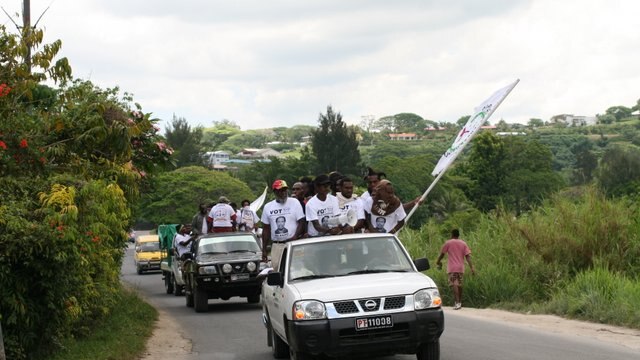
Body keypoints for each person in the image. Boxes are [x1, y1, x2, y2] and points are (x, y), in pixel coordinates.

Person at [261, 179, 305, 270]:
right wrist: (264, 249)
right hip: (277, 245)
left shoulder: (294, 202)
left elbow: (301, 221)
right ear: (275, 191)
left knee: (297, 268)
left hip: (293, 243)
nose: (283, 193)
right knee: (277, 269)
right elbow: (266, 229)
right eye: (280, 190)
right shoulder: (268, 207)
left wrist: (296, 236)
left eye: (285, 190)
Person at [435, 229, 476, 310]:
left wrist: (438, 261)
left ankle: (457, 303)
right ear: (458, 235)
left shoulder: (448, 243)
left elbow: (442, 254)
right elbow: (468, 256)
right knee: (459, 284)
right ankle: (459, 302)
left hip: (452, 267)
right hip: (461, 267)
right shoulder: (463, 243)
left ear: (452, 234)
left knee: (454, 284)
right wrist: (472, 267)